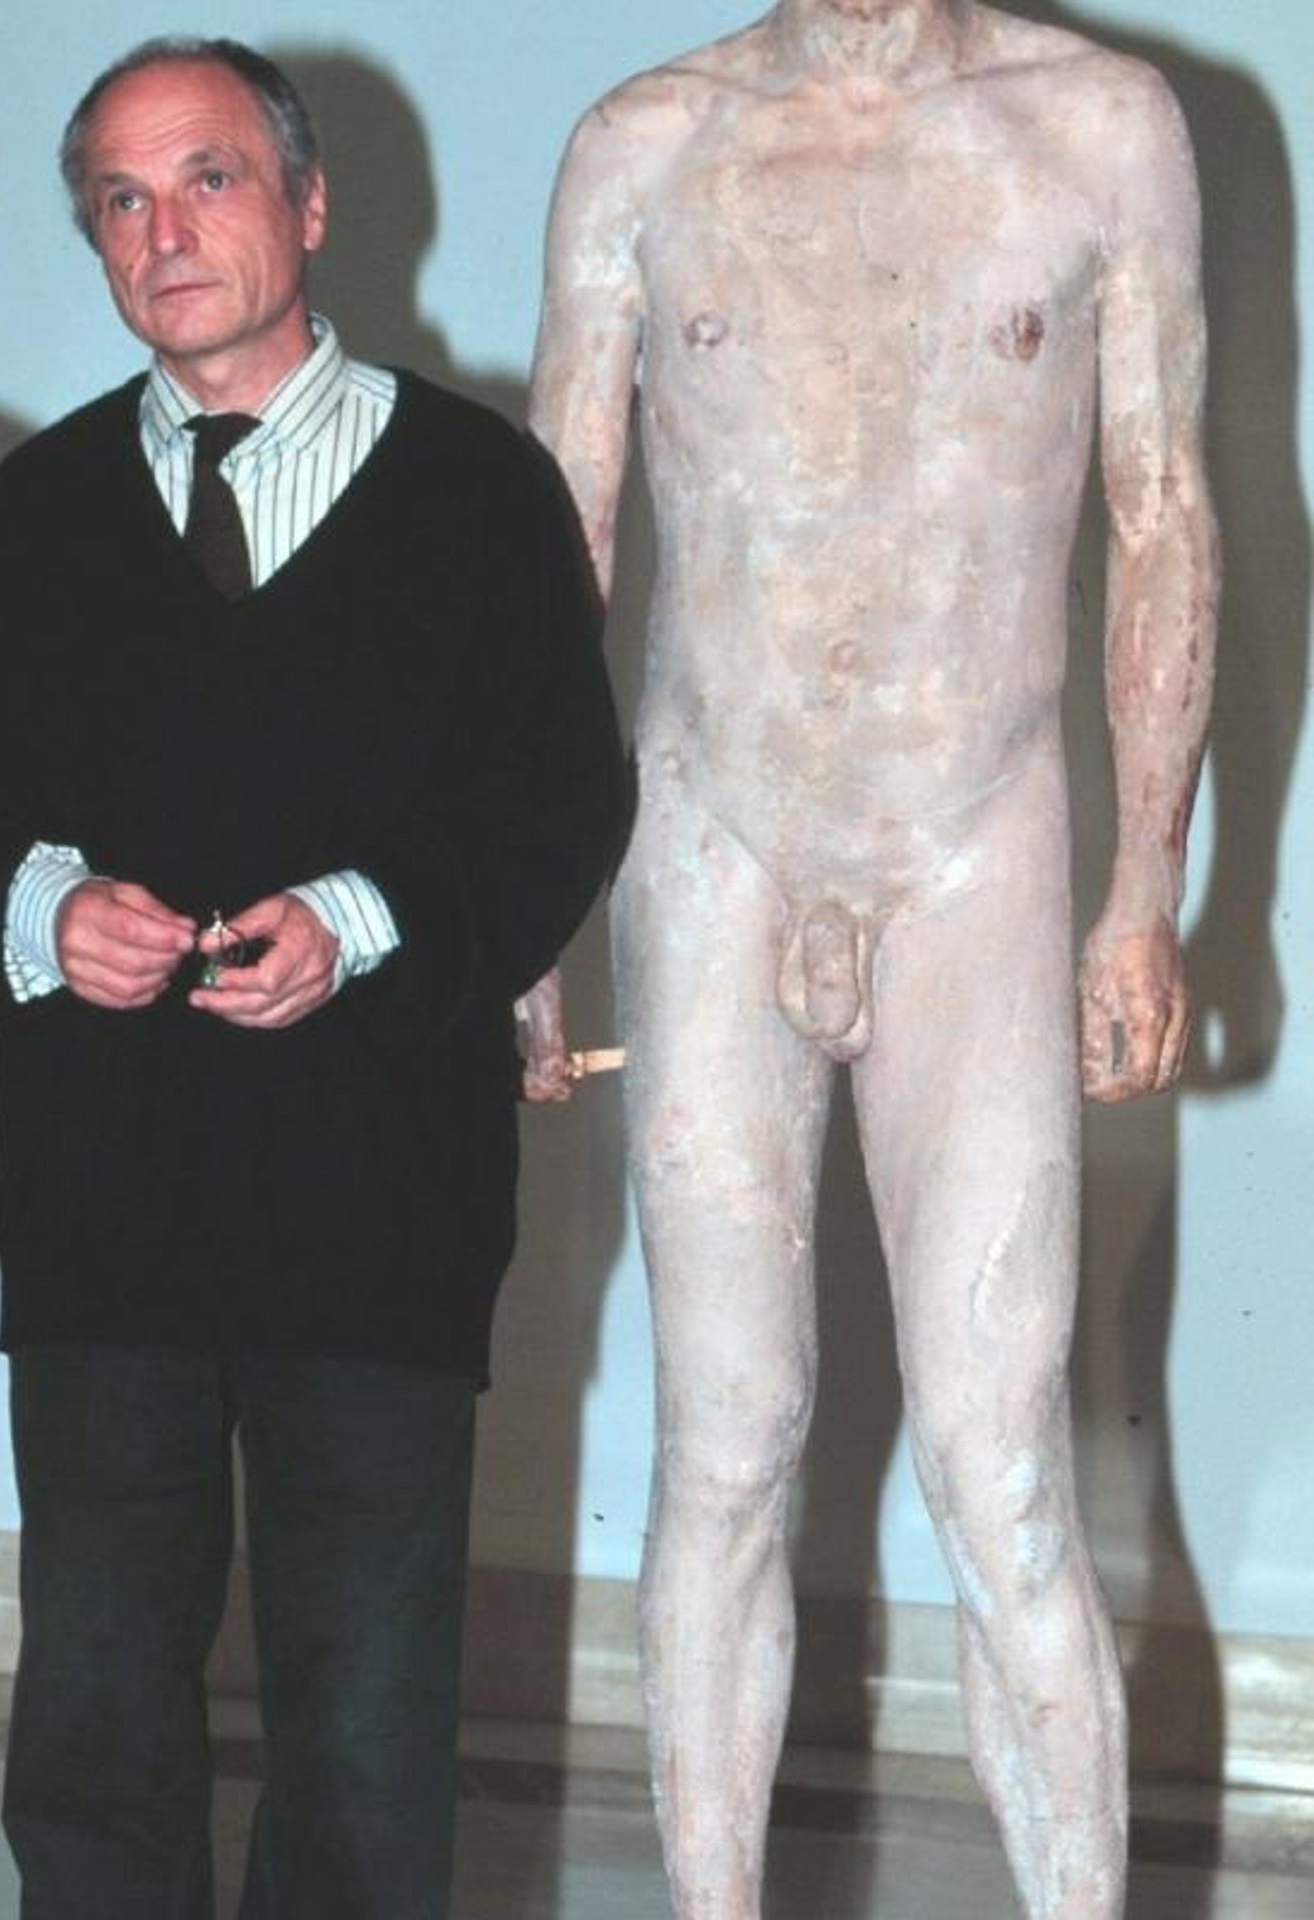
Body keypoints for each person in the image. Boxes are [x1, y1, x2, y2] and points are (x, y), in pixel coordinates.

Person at [0, 36, 628, 1919]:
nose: (163, 231)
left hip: (380, 1214)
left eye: (206, 177)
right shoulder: (39, 507)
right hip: (104, 1214)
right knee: (93, 1727)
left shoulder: (483, 493)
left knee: (363, 1742)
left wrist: (362, 921)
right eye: (119, 201)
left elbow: (559, 799)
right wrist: (42, 911)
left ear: (308, 201)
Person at [529, 2, 1218, 1913]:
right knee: (723, 1445)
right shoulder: (648, 141)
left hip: (975, 839)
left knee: (1004, 1473)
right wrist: (528, 903)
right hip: (712, 835)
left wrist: (1144, 885)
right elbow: (561, 543)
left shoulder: (1097, 126)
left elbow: (1162, 509)